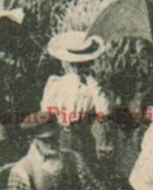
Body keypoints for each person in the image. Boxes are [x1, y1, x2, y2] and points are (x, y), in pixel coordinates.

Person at [0, 111, 106, 190]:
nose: (51, 143)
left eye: (54, 137)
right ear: (33, 140)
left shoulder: (74, 159)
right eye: (45, 140)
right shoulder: (22, 170)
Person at [38, 32, 107, 160]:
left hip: (82, 136)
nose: (78, 68)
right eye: (76, 64)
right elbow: (46, 112)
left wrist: (93, 85)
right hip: (59, 135)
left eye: (83, 64)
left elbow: (103, 112)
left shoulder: (92, 87)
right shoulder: (56, 83)